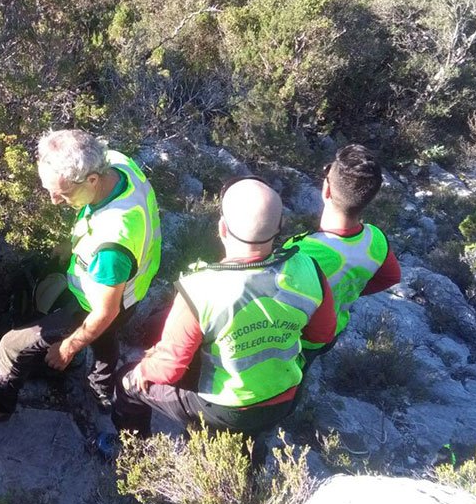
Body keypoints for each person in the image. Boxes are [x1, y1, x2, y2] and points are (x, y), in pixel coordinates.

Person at [0, 129, 161, 421]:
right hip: (131, 292)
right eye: (50, 190)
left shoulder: (112, 244)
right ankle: (102, 392)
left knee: (11, 346)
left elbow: (105, 312)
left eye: (64, 193)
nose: (54, 200)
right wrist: (73, 242)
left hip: (99, 304)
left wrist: (68, 347)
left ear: (92, 179)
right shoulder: (116, 163)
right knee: (106, 339)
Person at [111, 177, 337, 439]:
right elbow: (322, 335)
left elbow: (170, 368)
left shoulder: (199, 289)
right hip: (285, 397)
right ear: (280, 225)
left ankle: (136, 448)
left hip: (226, 408)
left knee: (126, 383)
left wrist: (143, 369)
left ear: (222, 228)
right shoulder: (309, 269)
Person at [283, 144, 401, 364]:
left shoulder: (302, 251)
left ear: (326, 190)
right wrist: (348, 290)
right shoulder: (376, 239)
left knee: (294, 375)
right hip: (334, 328)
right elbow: (392, 277)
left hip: (298, 339)